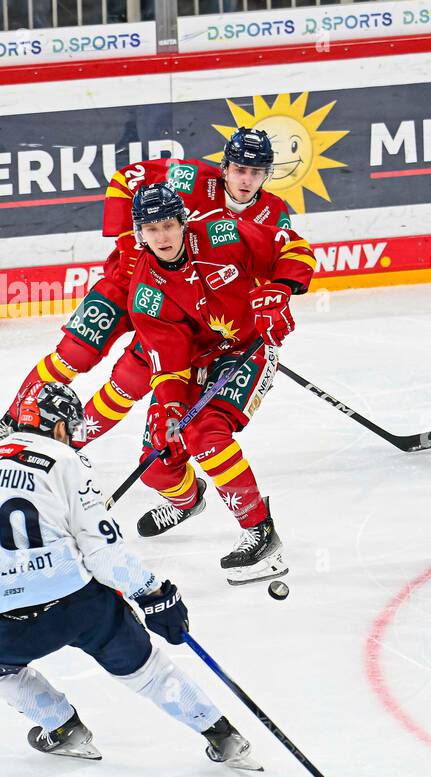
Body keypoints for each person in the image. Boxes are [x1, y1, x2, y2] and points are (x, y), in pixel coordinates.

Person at [0, 380, 260, 767]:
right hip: (84, 605)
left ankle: (63, 728)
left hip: (16, 618)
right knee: (149, 672)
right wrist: (153, 594)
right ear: (57, 427)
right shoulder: (67, 462)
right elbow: (102, 551)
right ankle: (224, 737)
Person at [0, 129, 293, 462]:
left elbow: (273, 266)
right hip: (128, 282)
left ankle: (68, 447)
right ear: (225, 166)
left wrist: (265, 304)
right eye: (239, 168)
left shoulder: (273, 214)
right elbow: (126, 179)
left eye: (255, 172)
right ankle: (9, 425)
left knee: (128, 381)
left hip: (177, 310)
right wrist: (128, 246)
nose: (246, 179)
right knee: (74, 353)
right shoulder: (192, 177)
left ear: (267, 174)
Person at [126, 182, 315, 583]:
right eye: (151, 228)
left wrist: (280, 290)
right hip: (194, 365)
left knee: (205, 433)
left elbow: (293, 248)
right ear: (139, 233)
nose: (162, 236)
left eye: (168, 225)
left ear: (183, 221)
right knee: (156, 466)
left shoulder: (220, 232)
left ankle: (259, 531)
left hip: (248, 348)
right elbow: (168, 360)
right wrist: (173, 407)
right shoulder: (145, 293)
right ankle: (188, 500)